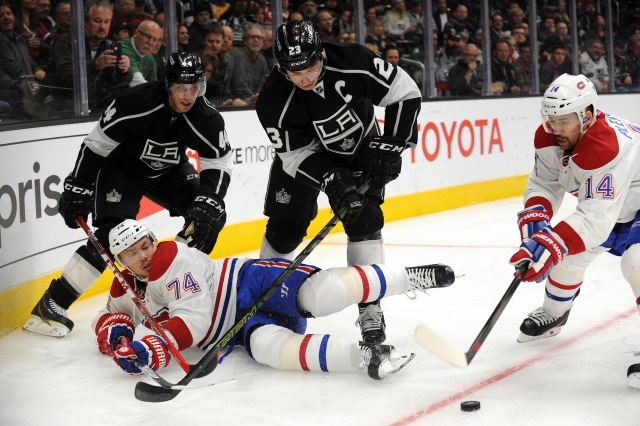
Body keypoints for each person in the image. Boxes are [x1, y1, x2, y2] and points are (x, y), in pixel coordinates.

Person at [23, 52, 232, 338]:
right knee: (110, 235)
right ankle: (53, 303)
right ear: (168, 85)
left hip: (169, 172)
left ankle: (167, 288)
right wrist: (78, 184)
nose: (187, 96)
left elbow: (218, 162)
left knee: (207, 217)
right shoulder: (134, 103)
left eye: (194, 88)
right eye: (181, 88)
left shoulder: (206, 118)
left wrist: (210, 200)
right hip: (122, 171)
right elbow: (95, 145)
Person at [95, 219, 456, 379]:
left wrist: (150, 349)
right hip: (236, 329)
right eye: (131, 254)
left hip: (247, 282)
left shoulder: (169, 259)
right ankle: (365, 357)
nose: (142, 255)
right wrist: (116, 335)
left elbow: (195, 321)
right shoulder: (125, 288)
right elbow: (109, 316)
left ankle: (406, 277)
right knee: (269, 350)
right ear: (119, 263)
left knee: (323, 295)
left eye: (145, 245)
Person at [255, 21, 423, 345]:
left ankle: (370, 307)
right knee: (284, 229)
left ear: (322, 54)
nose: (304, 77)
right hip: (307, 158)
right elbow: (294, 156)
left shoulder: (353, 60)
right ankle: (263, 296)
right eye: (294, 71)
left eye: (311, 66)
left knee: (365, 221)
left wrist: (393, 144)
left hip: (361, 148)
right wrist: (331, 179)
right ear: (281, 68)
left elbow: (405, 92)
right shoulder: (273, 100)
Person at [506, 73, 640, 390]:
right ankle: (554, 314)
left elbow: (594, 221)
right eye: (551, 120)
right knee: (567, 259)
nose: (555, 128)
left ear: (588, 116)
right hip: (615, 206)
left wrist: (549, 244)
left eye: (564, 121)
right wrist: (535, 231)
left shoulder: (606, 145)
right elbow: (544, 183)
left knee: (636, 263)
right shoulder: (552, 135)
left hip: (630, 206)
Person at [52, 0, 132, 113]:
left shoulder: (108, 45)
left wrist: (125, 71)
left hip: (97, 108)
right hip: (66, 108)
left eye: (107, 21)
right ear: (85, 22)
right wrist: (95, 65)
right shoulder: (67, 42)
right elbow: (64, 77)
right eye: (97, 21)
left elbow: (116, 85)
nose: (103, 26)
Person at [229, 24, 269, 104]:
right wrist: (255, 99)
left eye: (259, 38)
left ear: (263, 42)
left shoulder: (262, 60)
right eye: (252, 37)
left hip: (253, 98)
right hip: (236, 99)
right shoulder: (238, 56)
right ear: (245, 40)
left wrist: (257, 97)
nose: (256, 40)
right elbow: (240, 88)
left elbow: (263, 84)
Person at [121, 19, 164, 86]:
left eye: (155, 40)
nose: (150, 43)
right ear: (135, 33)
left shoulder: (150, 58)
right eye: (147, 36)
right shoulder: (123, 48)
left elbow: (154, 85)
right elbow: (137, 81)